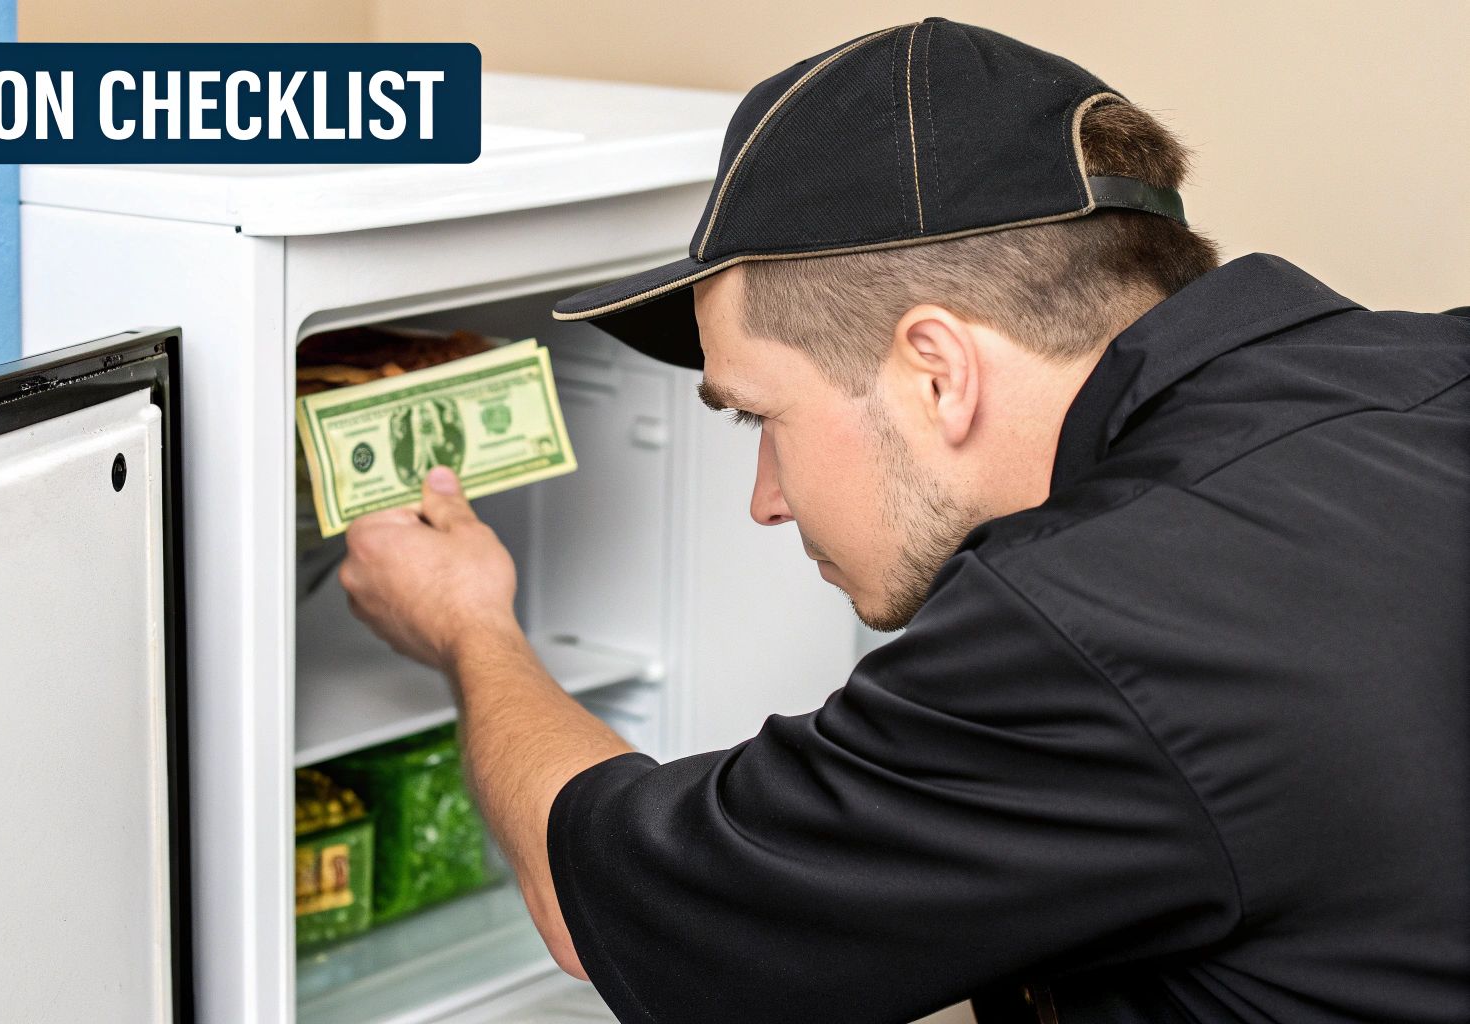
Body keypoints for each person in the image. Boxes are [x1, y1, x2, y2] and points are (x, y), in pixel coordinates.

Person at [337, 18, 1470, 1024]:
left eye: (759, 417)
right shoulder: (1432, 368)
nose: (764, 500)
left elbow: (612, 900)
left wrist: (469, 625)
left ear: (936, 370)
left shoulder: (1085, 630)